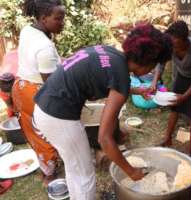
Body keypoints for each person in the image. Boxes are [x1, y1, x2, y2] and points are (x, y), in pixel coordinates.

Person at [32, 24, 172, 200]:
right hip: (58, 117)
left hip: (44, 106)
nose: (152, 71)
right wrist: (131, 171)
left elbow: (110, 82)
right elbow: (104, 139)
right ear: (146, 61)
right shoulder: (121, 75)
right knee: (85, 176)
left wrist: (137, 91)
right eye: (153, 66)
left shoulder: (110, 53)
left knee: (75, 166)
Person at [11, 0, 65, 182]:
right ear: (44, 18)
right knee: (46, 135)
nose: (62, 23)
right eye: (58, 19)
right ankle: (50, 176)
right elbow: (52, 86)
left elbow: (37, 61)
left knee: (35, 134)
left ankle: (47, 166)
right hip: (36, 94)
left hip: (20, 88)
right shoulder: (45, 47)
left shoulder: (29, 30)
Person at [151, 20, 191, 156]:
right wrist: (154, 82)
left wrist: (185, 97)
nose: (172, 46)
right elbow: (161, 64)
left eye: (175, 42)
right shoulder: (169, 45)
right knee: (174, 109)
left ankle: (190, 148)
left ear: (184, 39)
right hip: (181, 77)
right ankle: (167, 139)